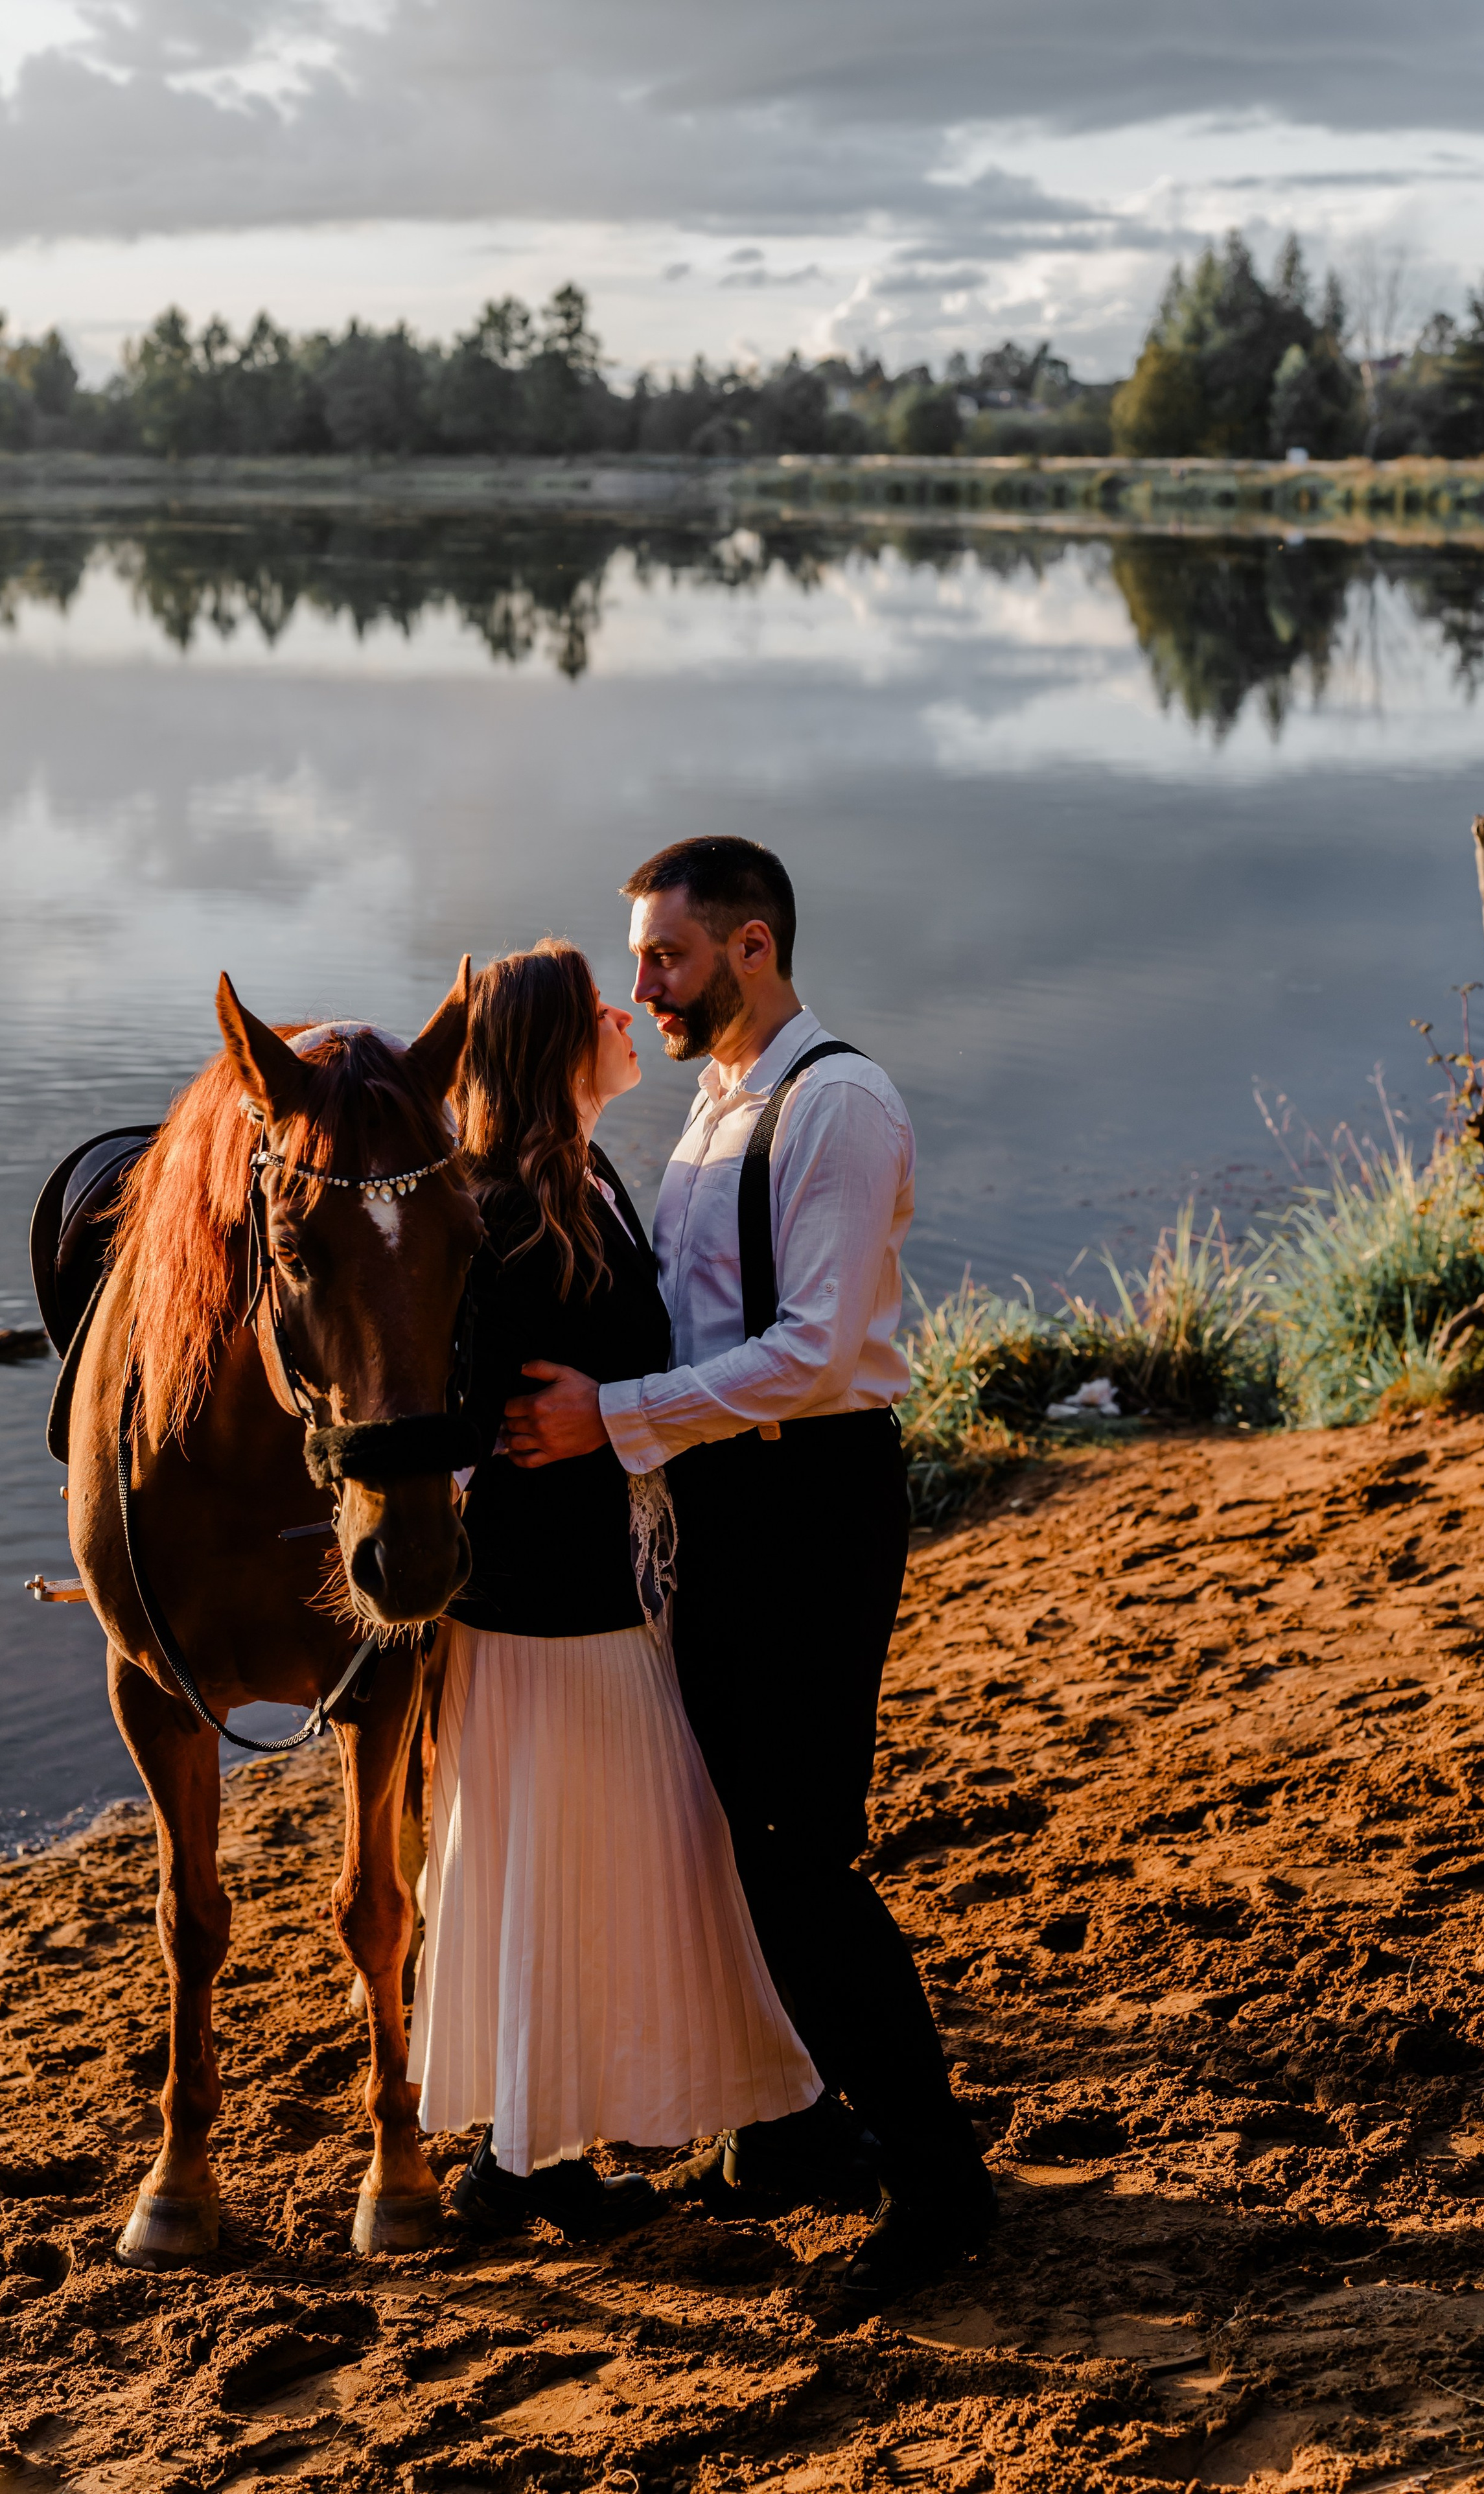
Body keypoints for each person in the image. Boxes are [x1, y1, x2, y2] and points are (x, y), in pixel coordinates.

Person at [502, 840, 995, 2298]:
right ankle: (793, 2126)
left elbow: (813, 1355)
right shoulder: (718, 1105)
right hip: (725, 1509)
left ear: (752, 947)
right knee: (745, 1849)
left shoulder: (831, 1102)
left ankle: (937, 2186)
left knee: (800, 1861)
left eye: (664, 955)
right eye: (639, 959)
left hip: (810, 1506)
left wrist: (610, 1422)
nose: (640, 985)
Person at [407, 937, 821, 2236]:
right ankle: (526, 2158)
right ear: (552, 1046)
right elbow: (466, 1406)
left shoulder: (573, 1179)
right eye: (599, 1004)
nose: (626, 1014)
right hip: (549, 1601)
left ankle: (543, 2152)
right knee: (578, 1861)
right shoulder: (505, 1210)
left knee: (580, 1861)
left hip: (590, 1584)